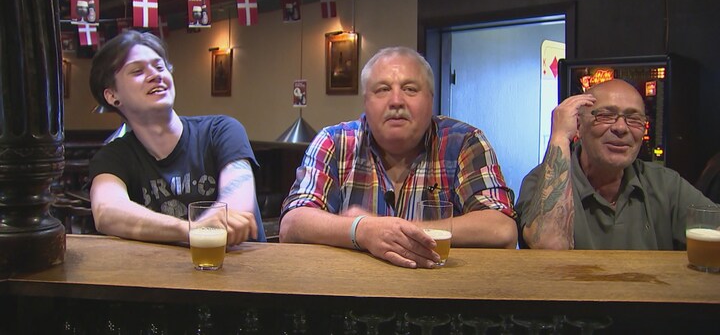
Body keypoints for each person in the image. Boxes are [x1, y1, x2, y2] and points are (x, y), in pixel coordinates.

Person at [279, 46, 517, 269]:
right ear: (365, 101)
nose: (396, 101)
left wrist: (395, 232)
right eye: (382, 89)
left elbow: (502, 230)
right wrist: (361, 230)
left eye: (410, 89)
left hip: (441, 291)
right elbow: (292, 225)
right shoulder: (334, 141)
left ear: (431, 99)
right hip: (352, 289)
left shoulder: (464, 142)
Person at [87, 30, 265, 245]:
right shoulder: (113, 157)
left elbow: (236, 212)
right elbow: (107, 212)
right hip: (166, 267)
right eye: (137, 71)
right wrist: (190, 229)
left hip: (243, 264)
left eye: (160, 67)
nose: (155, 75)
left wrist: (199, 228)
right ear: (112, 96)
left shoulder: (221, 130)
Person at [515, 79, 714, 250]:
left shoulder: (665, 184)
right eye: (605, 116)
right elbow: (550, 245)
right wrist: (559, 136)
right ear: (578, 126)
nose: (620, 127)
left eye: (634, 119)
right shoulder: (542, 181)